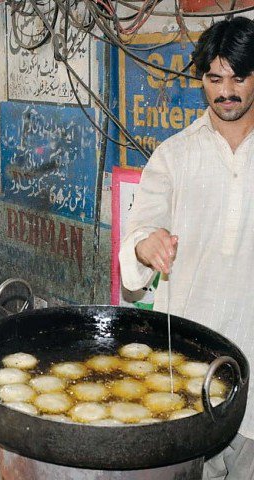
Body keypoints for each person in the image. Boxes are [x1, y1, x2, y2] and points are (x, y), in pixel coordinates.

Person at [119, 17, 254, 480]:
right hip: (188, 367)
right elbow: (136, 236)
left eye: (240, 76)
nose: (227, 91)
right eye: (215, 79)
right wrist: (144, 247)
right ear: (202, 81)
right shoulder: (175, 155)